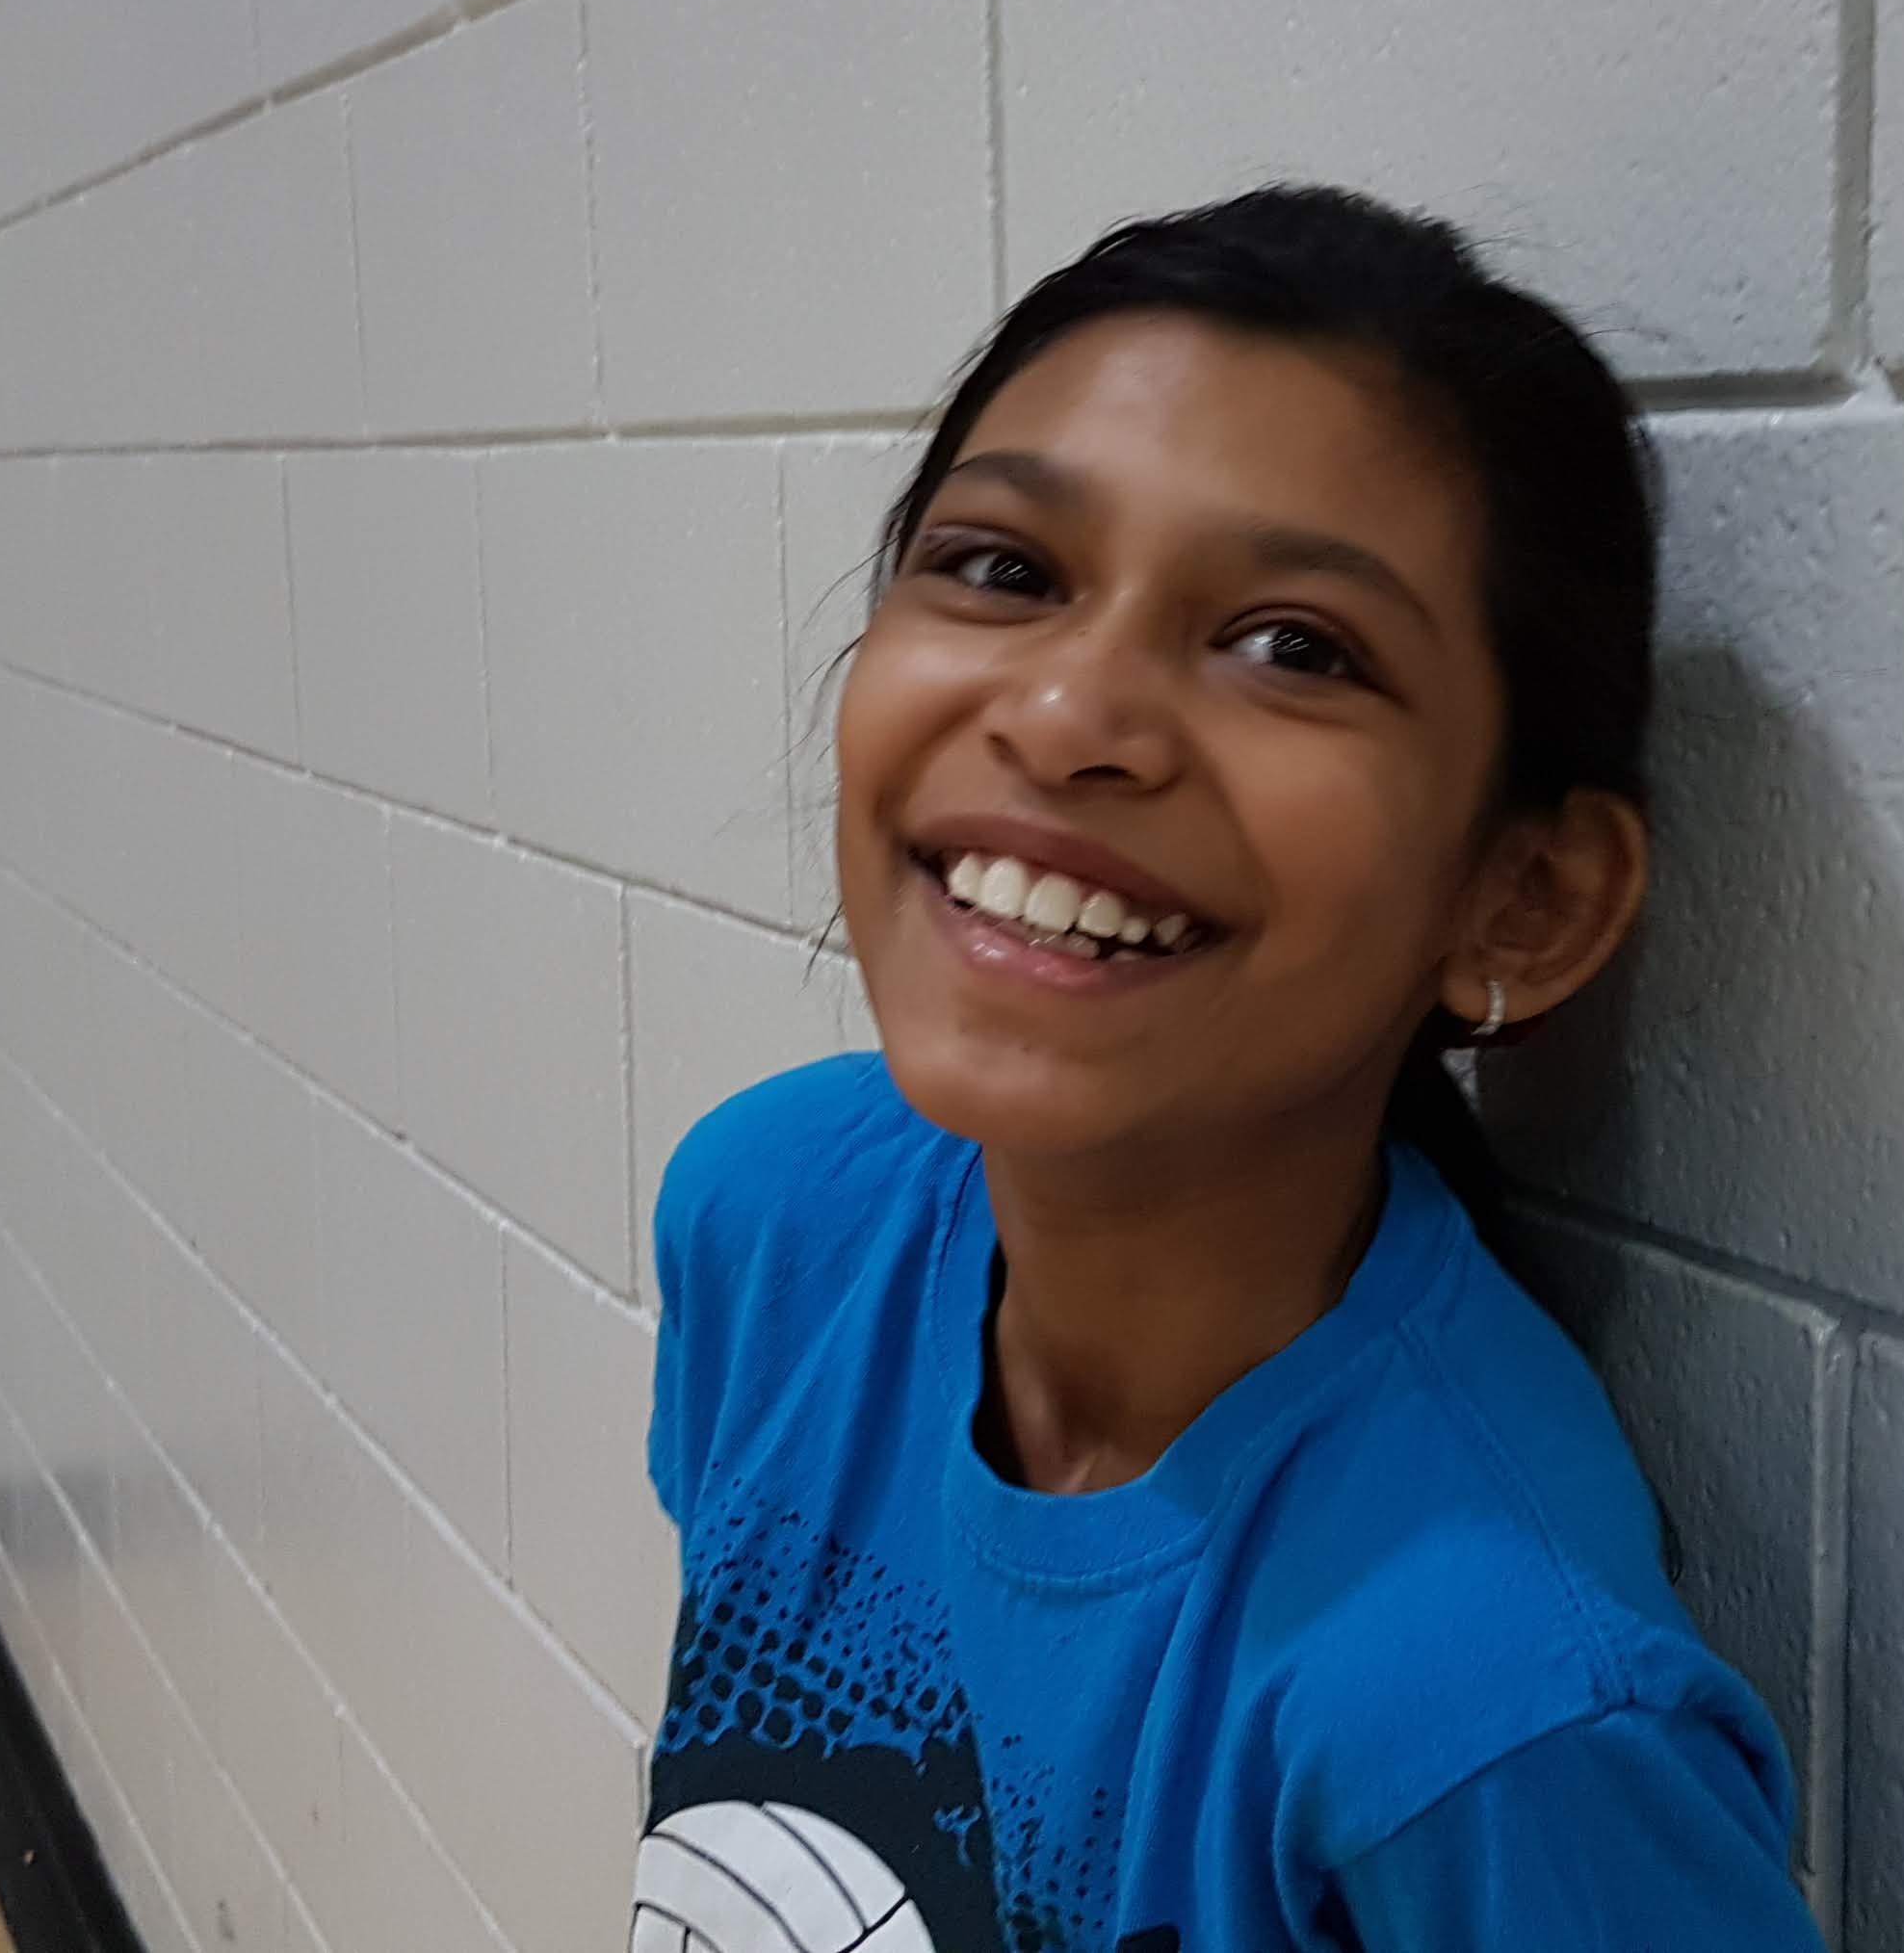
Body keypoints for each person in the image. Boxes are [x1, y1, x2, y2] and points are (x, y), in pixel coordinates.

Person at [633, 186, 1823, 1952]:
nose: (1067, 717)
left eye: (1293, 648)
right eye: (1004, 569)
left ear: (1525, 897)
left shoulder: (1489, 1713)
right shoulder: (777, 1221)